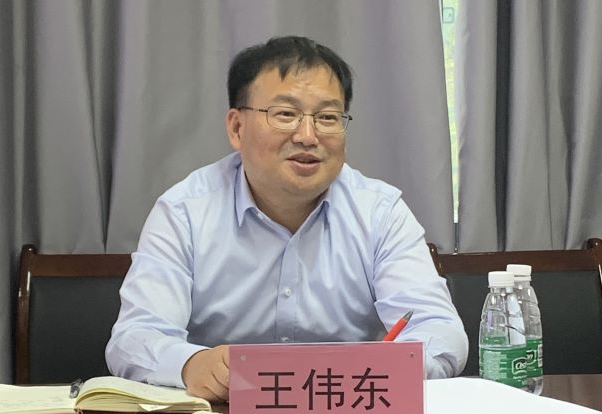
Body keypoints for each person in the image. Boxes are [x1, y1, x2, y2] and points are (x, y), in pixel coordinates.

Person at [105, 35, 468, 402]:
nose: (308, 136)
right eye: (285, 115)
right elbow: (135, 337)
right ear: (236, 127)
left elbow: (439, 330)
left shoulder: (380, 211)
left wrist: (383, 368)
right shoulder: (184, 211)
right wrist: (191, 364)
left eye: (327, 117)